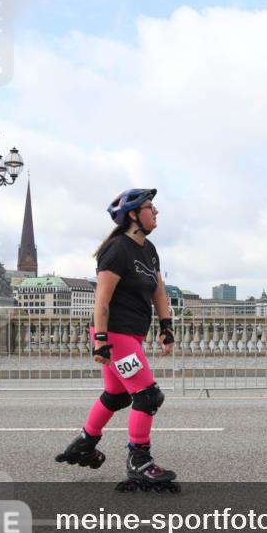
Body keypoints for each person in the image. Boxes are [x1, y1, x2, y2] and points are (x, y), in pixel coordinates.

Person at [55, 188, 179, 491]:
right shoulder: (117, 250)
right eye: (151, 208)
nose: (156, 212)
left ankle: (86, 441)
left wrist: (167, 326)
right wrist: (100, 340)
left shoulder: (148, 249)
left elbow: (159, 291)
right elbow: (102, 299)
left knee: (117, 395)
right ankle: (140, 459)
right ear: (134, 215)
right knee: (148, 395)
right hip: (116, 333)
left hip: (133, 334)